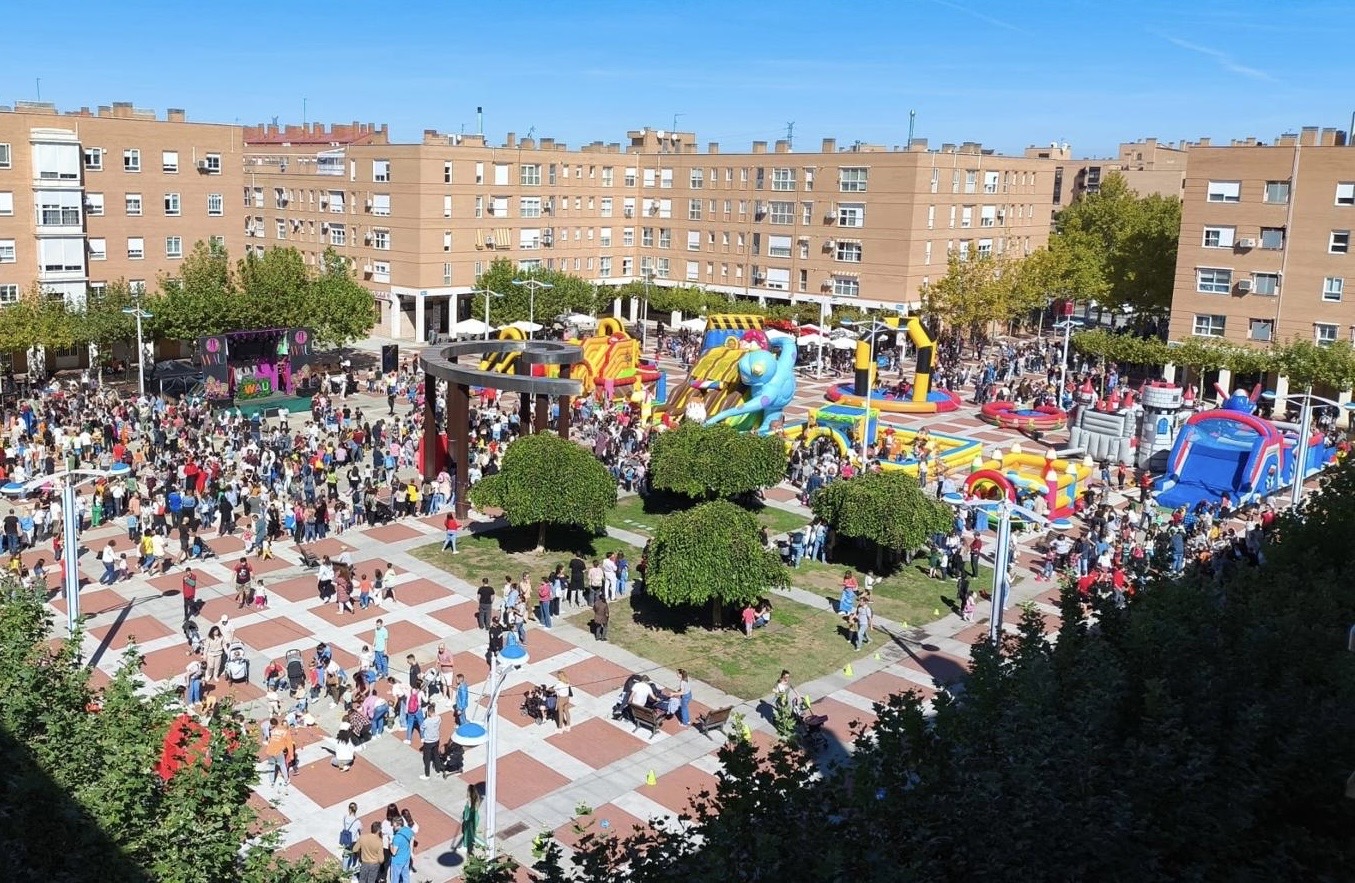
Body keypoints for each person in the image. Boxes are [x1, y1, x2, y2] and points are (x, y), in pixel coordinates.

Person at [419, 702, 442, 780]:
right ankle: (438, 771)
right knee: (436, 755)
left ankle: (427, 775)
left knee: (427, 758)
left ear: (428, 712)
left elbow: (422, 728)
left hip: (428, 741)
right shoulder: (439, 718)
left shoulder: (426, 721)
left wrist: (426, 717)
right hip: (436, 739)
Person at [339, 802, 363, 876]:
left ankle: (344, 870)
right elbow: (361, 829)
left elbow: (344, 825)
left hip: (346, 839)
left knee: (346, 854)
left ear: (349, 809)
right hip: (354, 841)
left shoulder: (345, 817)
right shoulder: (357, 821)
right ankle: (353, 866)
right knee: (355, 854)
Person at [459, 785, 481, 856]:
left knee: (466, 834)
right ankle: (466, 845)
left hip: (469, 820)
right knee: (471, 833)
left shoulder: (469, 802)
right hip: (474, 819)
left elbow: (466, 815)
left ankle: (465, 847)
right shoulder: (476, 800)